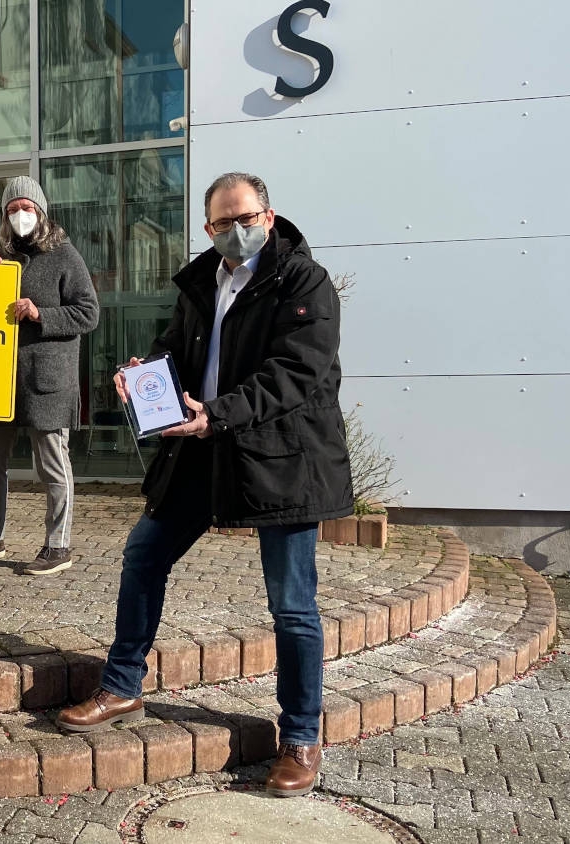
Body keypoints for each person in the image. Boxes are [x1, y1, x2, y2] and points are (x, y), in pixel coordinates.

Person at [55, 173, 352, 799]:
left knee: (291, 605)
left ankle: (301, 736)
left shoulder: (305, 282)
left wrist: (216, 413)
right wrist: (145, 374)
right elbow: (176, 348)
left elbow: (294, 375)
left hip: (279, 455)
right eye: (219, 223)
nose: (231, 232)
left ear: (268, 217)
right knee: (144, 554)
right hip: (199, 445)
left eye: (242, 218)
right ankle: (123, 684)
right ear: (208, 228)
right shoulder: (202, 280)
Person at [0, 175, 99, 576]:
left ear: (41, 212)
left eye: (26, 208)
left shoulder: (65, 255)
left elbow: (88, 313)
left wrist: (40, 314)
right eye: (12, 209)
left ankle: (58, 545)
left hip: (46, 380)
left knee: (52, 464)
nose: (20, 215)